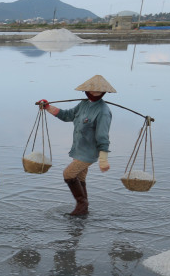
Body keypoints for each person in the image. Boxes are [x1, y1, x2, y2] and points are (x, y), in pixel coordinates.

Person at [37, 74, 114, 216]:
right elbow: (67, 115)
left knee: (68, 174)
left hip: (89, 153)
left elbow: (102, 136)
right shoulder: (83, 104)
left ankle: (82, 204)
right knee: (80, 178)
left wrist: (103, 159)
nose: (94, 94)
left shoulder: (103, 112)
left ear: (104, 93)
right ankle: (84, 209)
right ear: (86, 91)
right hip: (78, 150)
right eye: (91, 91)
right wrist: (48, 107)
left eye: (98, 92)